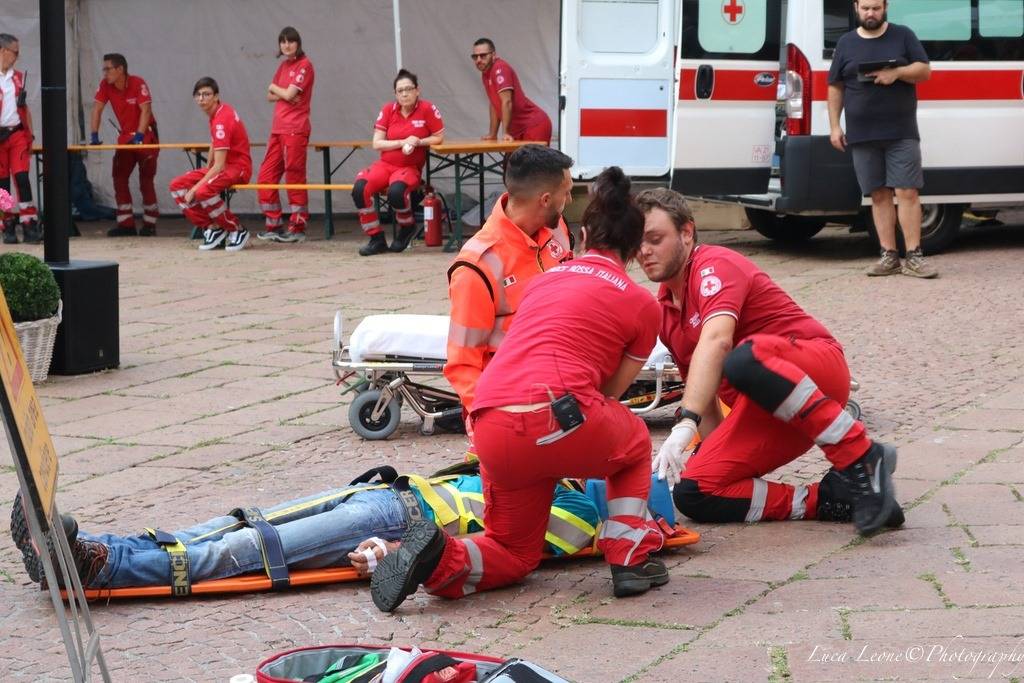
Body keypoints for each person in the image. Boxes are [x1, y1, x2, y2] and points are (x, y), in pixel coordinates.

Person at [371, 167, 669, 613]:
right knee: (633, 443)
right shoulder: (642, 303)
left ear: (583, 233)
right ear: (634, 247)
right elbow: (609, 395)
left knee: (514, 551)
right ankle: (629, 559)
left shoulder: (543, 282)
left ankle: (438, 556)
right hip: (558, 416)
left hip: (490, 421)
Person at [636, 187, 904, 537]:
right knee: (695, 491)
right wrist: (717, 457)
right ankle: (830, 499)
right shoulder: (666, 313)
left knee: (743, 358)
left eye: (655, 239)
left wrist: (684, 424)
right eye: (637, 241)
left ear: (687, 232)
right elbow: (704, 395)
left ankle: (861, 454)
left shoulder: (713, 264)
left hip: (816, 370)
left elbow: (717, 341)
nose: (643, 251)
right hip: (766, 411)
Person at [10, 469, 599, 591]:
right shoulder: (546, 465)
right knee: (232, 525)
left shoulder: (580, 515)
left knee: (244, 550)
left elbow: (499, 549)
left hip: (399, 519)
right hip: (384, 495)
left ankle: (98, 567)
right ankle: (90, 548)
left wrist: (395, 552)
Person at [444, 144, 574, 416]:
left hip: (565, 386)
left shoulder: (557, 230)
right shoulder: (477, 266)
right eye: (567, 192)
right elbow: (463, 365)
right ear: (546, 199)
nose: (570, 201)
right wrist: (493, 421)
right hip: (512, 403)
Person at [827, 0, 935, 278]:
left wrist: (896, 72)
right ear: (856, 8)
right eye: (865, 8)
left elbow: (924, 70)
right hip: (862, 135)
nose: (870, 13)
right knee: (878, 195)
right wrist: (834, 126)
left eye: (875, 7)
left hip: (901, 131)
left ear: (885, 7)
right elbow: (835, 86)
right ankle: (889, 256)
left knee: (907, 191)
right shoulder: (846, 43)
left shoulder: (903, 35)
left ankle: (914, 256)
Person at [351, 69, 444, 256]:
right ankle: (376, 238)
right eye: (400, 90)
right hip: (385, 165)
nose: (404, 94)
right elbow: (377, 143)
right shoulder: (388, 110)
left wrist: (419, 141)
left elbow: (439, 137)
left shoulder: (427, 109)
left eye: (408, 89)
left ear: (417, 90)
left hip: (409, 167)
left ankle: (407, 227)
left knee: (396, 192)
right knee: (360, 189)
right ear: (395, 94)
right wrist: (402, 142)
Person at [168, 77, 253, 252]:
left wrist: (196, 186)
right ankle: (213, 228)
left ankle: (236, 229)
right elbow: (214, 143)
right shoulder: (217, 113)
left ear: (216, 96)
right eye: (198, 95)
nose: (201, 98)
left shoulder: (222, 119)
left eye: (206, 94)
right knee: (176, 186)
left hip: (238, 167)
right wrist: (206, 172)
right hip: (225, 166)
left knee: (201, 191)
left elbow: (219, 166)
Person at [89, 53, 160, 237]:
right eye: (103, 69)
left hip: (146, 135)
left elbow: (146, 110)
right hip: (126, 137)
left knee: (146, 179)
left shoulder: (138, 83)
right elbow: (96, 109)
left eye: (107, 69)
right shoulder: (105, 85)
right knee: (119, 176)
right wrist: (94, 134)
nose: (104, 73)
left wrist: (139, 135)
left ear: (120, 69)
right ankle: (126, 223)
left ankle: (150, 224)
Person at [256, 27, 315, 244]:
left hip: (295, 129)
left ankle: (298, 226)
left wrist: (279, 89)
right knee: (265, 176)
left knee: (294, 176)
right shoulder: (284, 65)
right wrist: (283, 93)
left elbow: (285, 92)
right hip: (278, 129)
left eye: (290, 41)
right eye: (282, 42)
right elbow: (269, 96)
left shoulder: (305, 65)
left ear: (298, 43)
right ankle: (273, 224)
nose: (286, 45)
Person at [472, 38, 552, 145]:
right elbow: (494, 104)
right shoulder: (486, 74)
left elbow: (507, 102)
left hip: (533, 125)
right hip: (518, 130)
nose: (478, 60)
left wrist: (505, 133)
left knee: (531, 161)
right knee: (511, 162)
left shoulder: (499, 68)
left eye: (483, 55)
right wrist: (493, 134)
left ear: (493, 55)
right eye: (475, 56)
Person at [0, 33, 40, 245]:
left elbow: (25, 108)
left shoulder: (17, 77)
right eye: (15, 52)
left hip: (16, 134)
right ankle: (7, 225)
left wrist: (30, 136)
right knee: (2, 184)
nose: (18, 56)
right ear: (3, 51)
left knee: (22, 178)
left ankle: (29, 223)